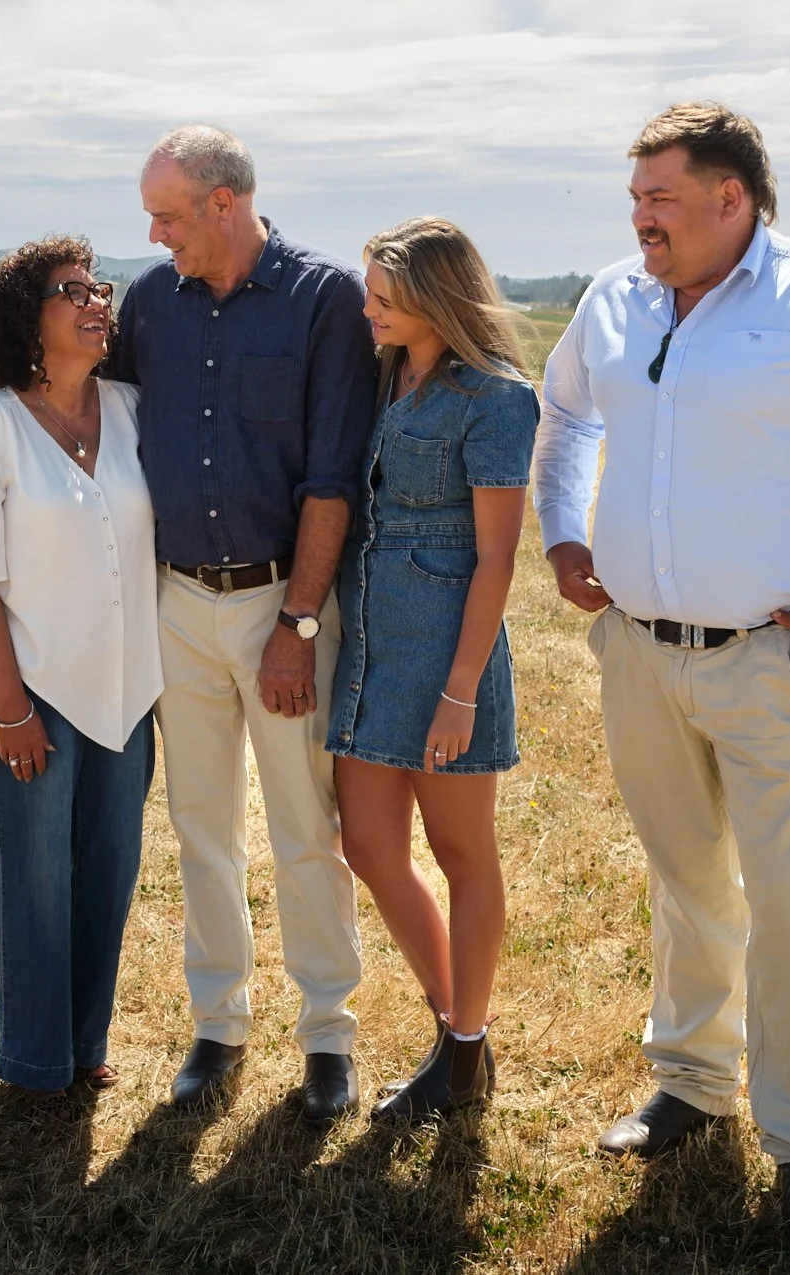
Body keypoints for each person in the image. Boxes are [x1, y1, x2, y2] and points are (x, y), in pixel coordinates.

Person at [533, 103, 790, 1256]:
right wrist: (562, 530)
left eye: (658, 198)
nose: (637, 219)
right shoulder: (613, 297)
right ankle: (690, 1082)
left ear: (734, 199)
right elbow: (563, 411)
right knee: (683, 881)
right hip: (636, 648)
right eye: (633, 199)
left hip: (776, 660)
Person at [106, 124, 378, 1121]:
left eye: (167, 214)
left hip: (282, 600)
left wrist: (297, 622)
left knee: (307, 824)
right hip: (177, 598)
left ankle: (327, 1035)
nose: (152, 231)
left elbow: (330, 475)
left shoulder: (323, 300)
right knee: (200, 823)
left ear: (224, 203)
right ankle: (218, 1024)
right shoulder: (146, 303)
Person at [0, 237, 161, 1095]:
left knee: (109, 868)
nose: (96, 301)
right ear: (28, 315)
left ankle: (85, 1039)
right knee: (33, 875)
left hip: (129, 686)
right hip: (33, 689)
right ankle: (33, 1059)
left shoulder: (134, 408)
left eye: (99, 287)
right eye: (72, 291)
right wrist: (9, 706)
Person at [328, 218, 540, 1123]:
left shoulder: (495, 398)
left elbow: (496, 558)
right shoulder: (381, 375)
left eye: (385, 295)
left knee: (462, 854)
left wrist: (460, 692)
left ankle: (459, 1047)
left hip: (447, 658)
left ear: (436, 297)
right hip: (370, 648)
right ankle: (460, 1029)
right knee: (369, 846)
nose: (367, 308)